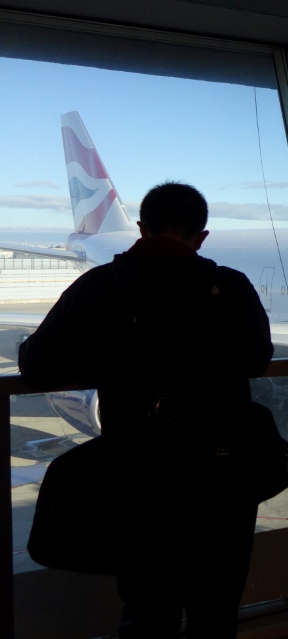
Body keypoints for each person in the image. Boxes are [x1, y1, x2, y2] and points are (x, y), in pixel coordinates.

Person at [19, 181, 273, 637]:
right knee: (216, 608)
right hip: (223, 470)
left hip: (141, 471)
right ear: (202, 235)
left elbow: (35, 365)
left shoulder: (100, 286)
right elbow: (257, 358)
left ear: (141, 228)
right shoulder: (230, 286)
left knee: (148, 607)